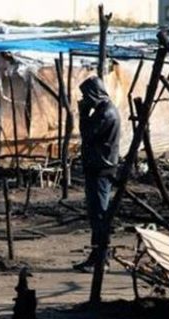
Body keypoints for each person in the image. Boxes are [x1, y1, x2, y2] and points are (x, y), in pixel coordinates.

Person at [73, 76, 121, 273]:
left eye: (86, 96)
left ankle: (102, 258)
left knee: (100, 214)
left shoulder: (106, 113)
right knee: (96, 214)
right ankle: (96, 255)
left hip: (101, 168)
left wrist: (83, 114)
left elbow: (87, 134)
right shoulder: (104, 110)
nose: (85, 100)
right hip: (98, 167)